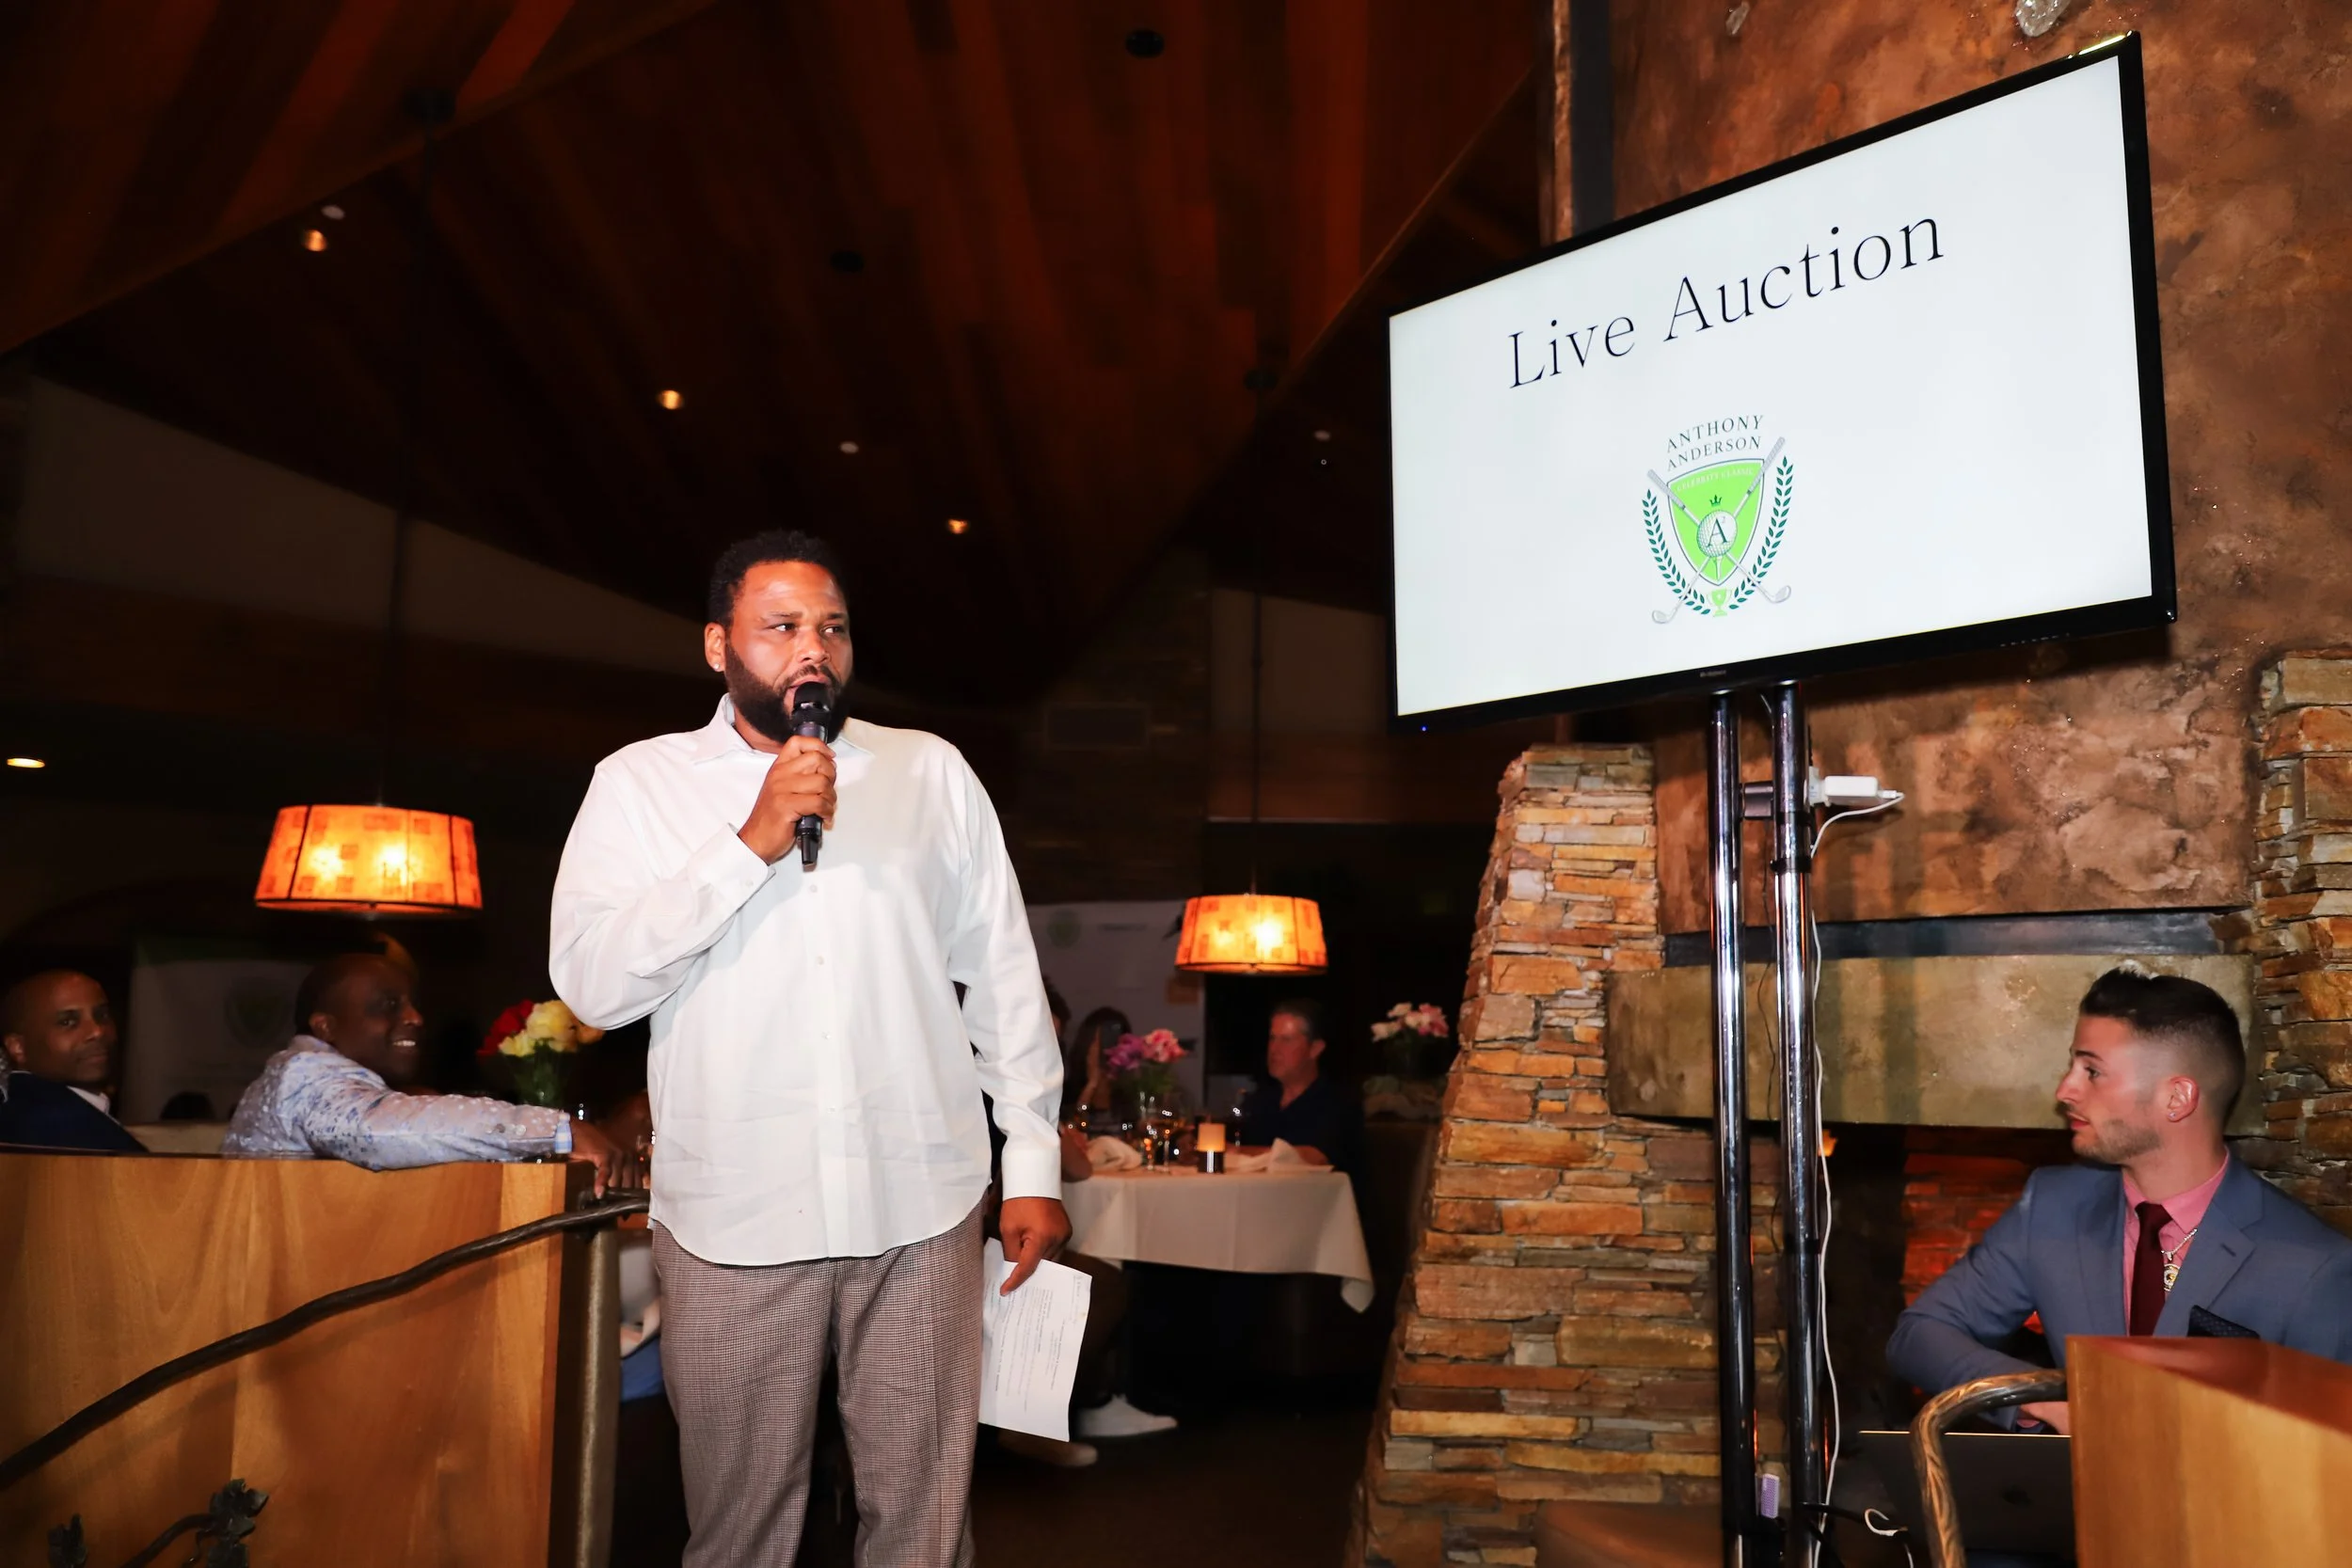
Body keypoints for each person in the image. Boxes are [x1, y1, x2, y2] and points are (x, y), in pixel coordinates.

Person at [548, 530, 1067, 1568]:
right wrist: (749, 844)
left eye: (829, 626)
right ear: (717, 646)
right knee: (741, 1529)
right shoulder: (637, 784)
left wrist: (1035, 1165)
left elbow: (1005, 978)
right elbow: (592, 983)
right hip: (734, 1212)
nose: (812, 650)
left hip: (921, 1198)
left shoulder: (931, 771)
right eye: (780, 626)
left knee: (923, 1527)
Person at [1887, 966, 2352, 1434]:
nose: (2064, 1090)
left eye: (2092, 1071)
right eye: (2072, 1066)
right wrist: (2036, 1399)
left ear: (2177, 1098)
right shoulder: (2052, 1204)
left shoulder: (2313, 1268)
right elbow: (1919, 1332)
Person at [222, 954, 630, 1192]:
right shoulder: (304, 1076)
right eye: (387, 1005)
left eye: (410, 1003)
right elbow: (378, 1132)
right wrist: (557, 1130)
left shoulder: (310, 1077)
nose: (415, 1017)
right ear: (325, 1026)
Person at [0, 970, 142, 1152]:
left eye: (102, 1016)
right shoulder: (56, 1125)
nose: (97, 1031)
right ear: (18, 1047)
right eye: (67, 1022)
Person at [1234, 997, 1362, 1174]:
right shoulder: (1262, 1100)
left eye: (1286, 1040)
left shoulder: (1337, 1101)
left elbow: (1312, 1158)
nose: (1274, 1049)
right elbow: (1236, 1141)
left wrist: (1236, 1153)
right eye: (1272, 1038)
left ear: (1315, 1049)